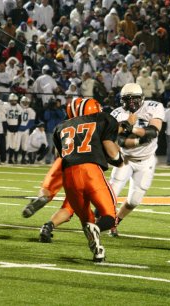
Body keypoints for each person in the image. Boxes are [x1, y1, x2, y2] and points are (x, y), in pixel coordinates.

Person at [53, 98, 123, 262]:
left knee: (86, 220)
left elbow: (59, 156)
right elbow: (113, 153)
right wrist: (119, 159)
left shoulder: (60, 127)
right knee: (109, 216)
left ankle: (98, 251)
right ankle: (97, 229)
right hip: (90, 171)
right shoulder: (102, 119)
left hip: (69, 176)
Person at [108, 83, 165, 236]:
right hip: (125, 159)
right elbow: (118, 140)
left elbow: (153, 132)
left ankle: (115, 221)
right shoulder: (116, 114)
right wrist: (138, 139)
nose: (131, 102)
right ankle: (100, 219)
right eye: (128, 99)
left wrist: (130, 128)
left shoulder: (153, 106)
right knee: (110, 194)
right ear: (122, 99)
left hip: (146, 161)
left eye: (135, 99)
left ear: (142, 98)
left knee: (134, 201)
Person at [4, 93, 23, 164]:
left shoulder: (18, 107)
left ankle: (10, 159)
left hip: (15, 128)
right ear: (9, 100)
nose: (13, 102)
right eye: (12, 100)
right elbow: (4, 118)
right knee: (6, 144)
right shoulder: (6, 106)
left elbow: (20, 119)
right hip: (8, 127)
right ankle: (3, 158)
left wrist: (17, 128)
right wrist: (6, 128)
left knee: (13, 144)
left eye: (15, 100)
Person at [16, 96, 35, 164]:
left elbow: (32, 122)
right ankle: (15, 159)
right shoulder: (17, 108)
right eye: (23, 102)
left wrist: (25, 127)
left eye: (26, 102)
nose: (25, 103)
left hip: (25, 130)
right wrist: (18, 127)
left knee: (25, 145)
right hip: (18, 130)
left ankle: (23, 159)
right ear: (21, 102)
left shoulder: (31, 111)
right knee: (16, 145)